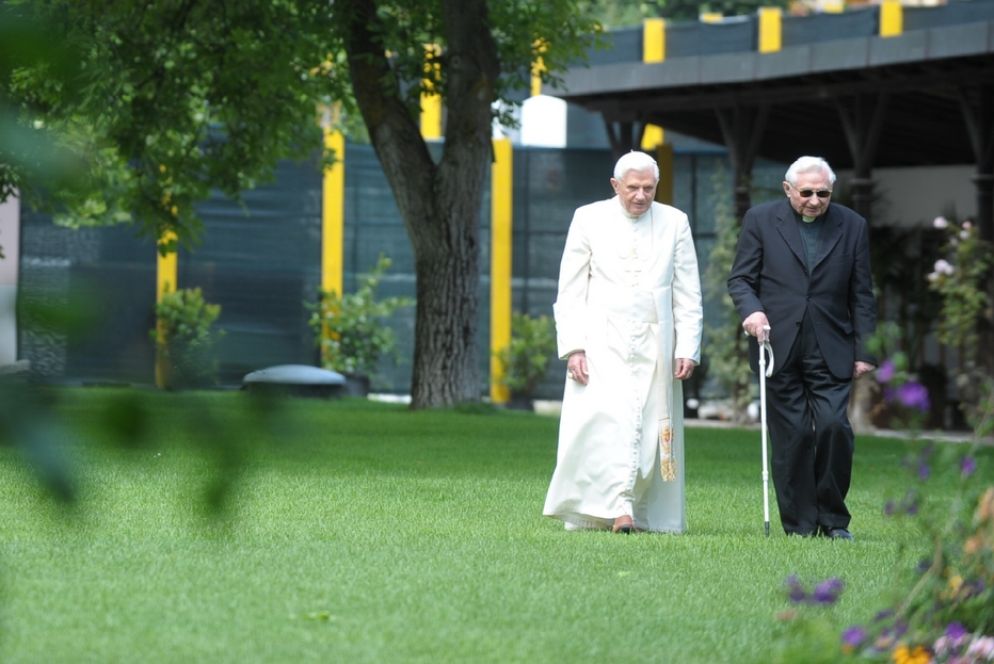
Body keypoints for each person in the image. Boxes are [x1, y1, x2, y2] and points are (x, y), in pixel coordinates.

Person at [543, 150, 703, 534]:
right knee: (607, 424)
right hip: (602, 339)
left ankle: (634, 508)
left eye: (649, 188)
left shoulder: (675, 221)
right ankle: (618, 508)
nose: (641, 196)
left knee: (649, 428)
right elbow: (570, 288)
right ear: (616, 186)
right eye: (633, 188)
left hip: (656, 342)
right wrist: (574, 347)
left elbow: (688, 292)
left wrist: (687, 348)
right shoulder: (588, 217)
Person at [727, 155, 877, 540]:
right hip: (776, 344)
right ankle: (800, 524)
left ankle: (833, 520)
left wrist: (865, 350)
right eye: (806, 192)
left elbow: (862, 294)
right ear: (788, 189)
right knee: (792, 435)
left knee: (833, 428)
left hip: (832, 346)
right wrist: (753, 313)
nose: (814, 200)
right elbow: (741, 279)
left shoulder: (853, 225)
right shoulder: (760, 220)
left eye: (823, 193)